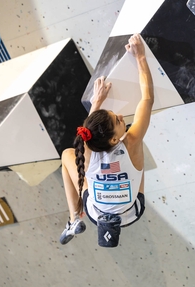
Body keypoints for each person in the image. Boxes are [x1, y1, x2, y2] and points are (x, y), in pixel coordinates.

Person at [59, 33, 154, 245]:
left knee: (67, 155)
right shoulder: (130, 142)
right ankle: (74, 218)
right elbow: (147, 99)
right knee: (136, 157)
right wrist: (140, 58)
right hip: (131, 210)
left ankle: (74, 218)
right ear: (113, 140)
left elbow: (88, 131)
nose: (122, 117)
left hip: (98, 212)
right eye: (119, 120)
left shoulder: (88, 149)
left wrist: (97, 101)